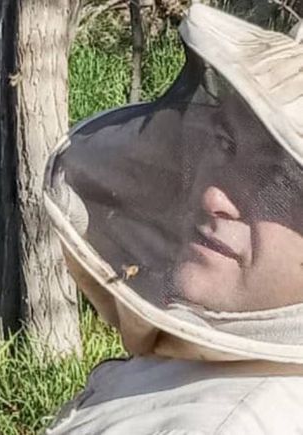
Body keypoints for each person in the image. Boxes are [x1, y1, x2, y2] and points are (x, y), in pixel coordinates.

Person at [40, 4, 303, 434]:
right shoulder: (215, 363)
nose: (213, 194)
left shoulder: (233, 423)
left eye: (275, 180)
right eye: (224, 142)